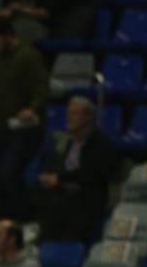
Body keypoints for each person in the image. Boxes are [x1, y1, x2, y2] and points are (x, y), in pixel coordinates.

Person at [0, 19, 49, 221]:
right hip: (2, 129)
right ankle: (5, 220)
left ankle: (26, 218)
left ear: (7, 35)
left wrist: (32, 108)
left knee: (9, 173)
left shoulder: (29, 56)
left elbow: (42, 88)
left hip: (25, 129)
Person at [35, 96, 120, 245]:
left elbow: (91, 174)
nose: (69, 118)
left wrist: (60, 179)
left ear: (87, 116)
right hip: (61, 193)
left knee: (72, 214)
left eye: (74, 113)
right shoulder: (67, 140)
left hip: (86, 198)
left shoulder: (99, 143)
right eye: (69, 113)